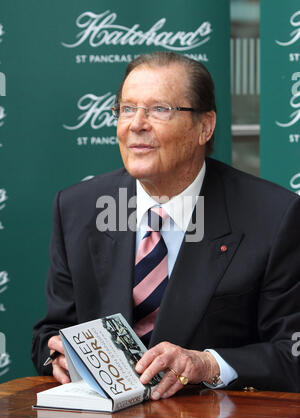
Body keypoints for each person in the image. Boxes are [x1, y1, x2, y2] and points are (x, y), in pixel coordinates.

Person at [32, 51, 300, 398]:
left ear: (205, 126)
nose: (136, 124)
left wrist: (208, 365)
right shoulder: (78, 209)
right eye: (126, 109)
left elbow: (290, 352)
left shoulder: (274, 216)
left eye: (159, 109)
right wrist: (57, 354)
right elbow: (52, 330)